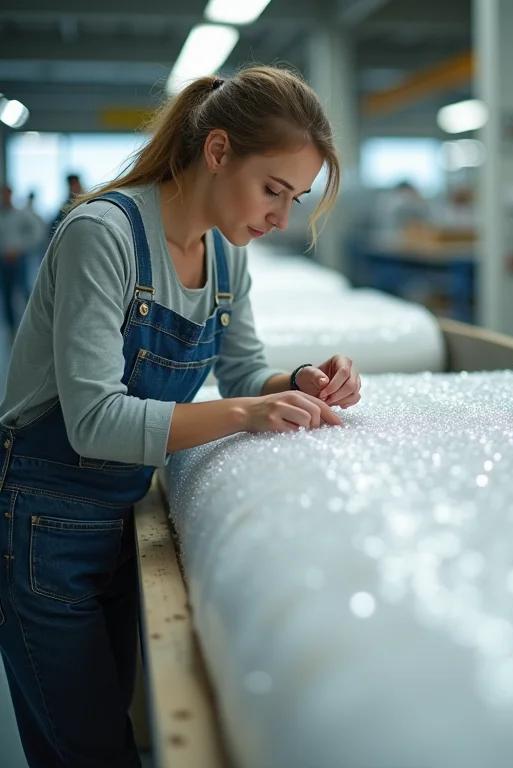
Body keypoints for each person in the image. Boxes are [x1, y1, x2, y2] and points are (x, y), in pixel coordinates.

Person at [0, 66, 362, 768]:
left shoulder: (227, 259)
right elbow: (94, 422)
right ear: (219, 151)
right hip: (43, 516)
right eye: (273, 190)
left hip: (120, 511)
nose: (281, 218)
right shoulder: (102, 235)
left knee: (109, 737)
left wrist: (299, 381)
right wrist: (247, 413)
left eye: (296, 199)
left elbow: (245, 370)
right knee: (87, 752)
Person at [0, 185, 45, 338]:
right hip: (4, 259)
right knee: (6, 293)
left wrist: (21, 248)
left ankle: (30, 324)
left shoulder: (21, 214)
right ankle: (11, 328)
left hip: (19, 258)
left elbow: (37, 232)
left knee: (24, 290)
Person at [49, 173, 84, 238]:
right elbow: (54, 227)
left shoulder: (87, 202)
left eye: (75, 184)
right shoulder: (66, 206)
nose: (73, 188)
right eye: (71, 185)